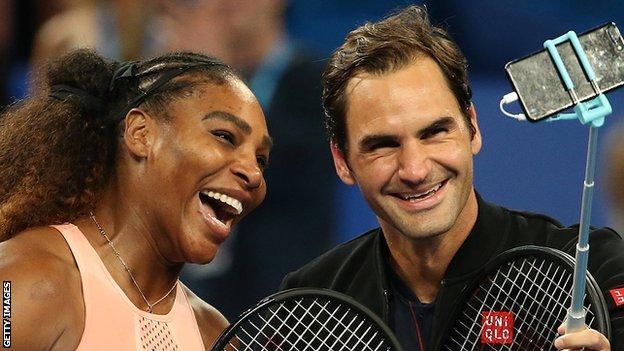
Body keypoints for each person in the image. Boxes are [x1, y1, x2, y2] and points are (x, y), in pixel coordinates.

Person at [280, 5, 624, 351]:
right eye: (383, 145)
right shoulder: (306, 308)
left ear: (472, 128)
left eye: (434, 133)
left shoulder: (597, 268)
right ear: (342, 161)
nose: (415, 170)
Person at [0, 48, 272, 350]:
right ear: (141, 133)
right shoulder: (27, 282)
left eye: (261, 160)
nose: (254, 174)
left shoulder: (213, 335)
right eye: (225, 136)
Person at [158, 0, 335, 318]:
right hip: (177, 301)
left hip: (280, 313)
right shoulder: (175, 89)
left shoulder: (318, 83)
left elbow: (264, 177)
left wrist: (210, 81)